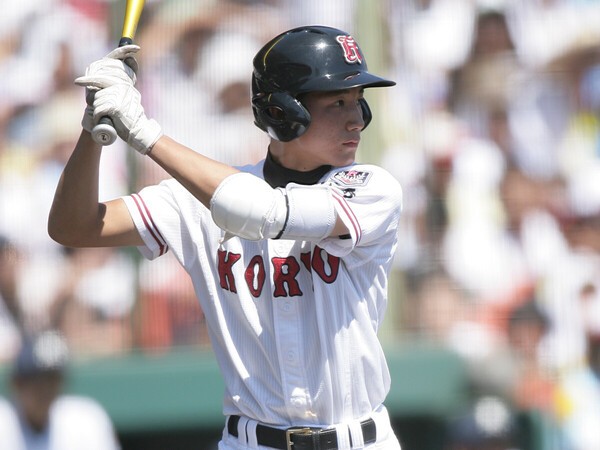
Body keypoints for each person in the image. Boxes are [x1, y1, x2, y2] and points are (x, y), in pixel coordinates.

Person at [48, 25, 403, 450]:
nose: (356, 118)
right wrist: (94, 127)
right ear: (284, 112)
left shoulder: (371, 188)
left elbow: (264, 212)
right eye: (338, 102)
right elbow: (73, 227)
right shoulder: (198, 199)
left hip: (360, 439)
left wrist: (144, 132)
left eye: (360, 101)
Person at [0, 330, 121, 450]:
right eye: (38, 382)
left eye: (52, 380)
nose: (46, 391)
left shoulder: (85, 420)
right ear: (16, 384)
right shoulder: (4, 422)